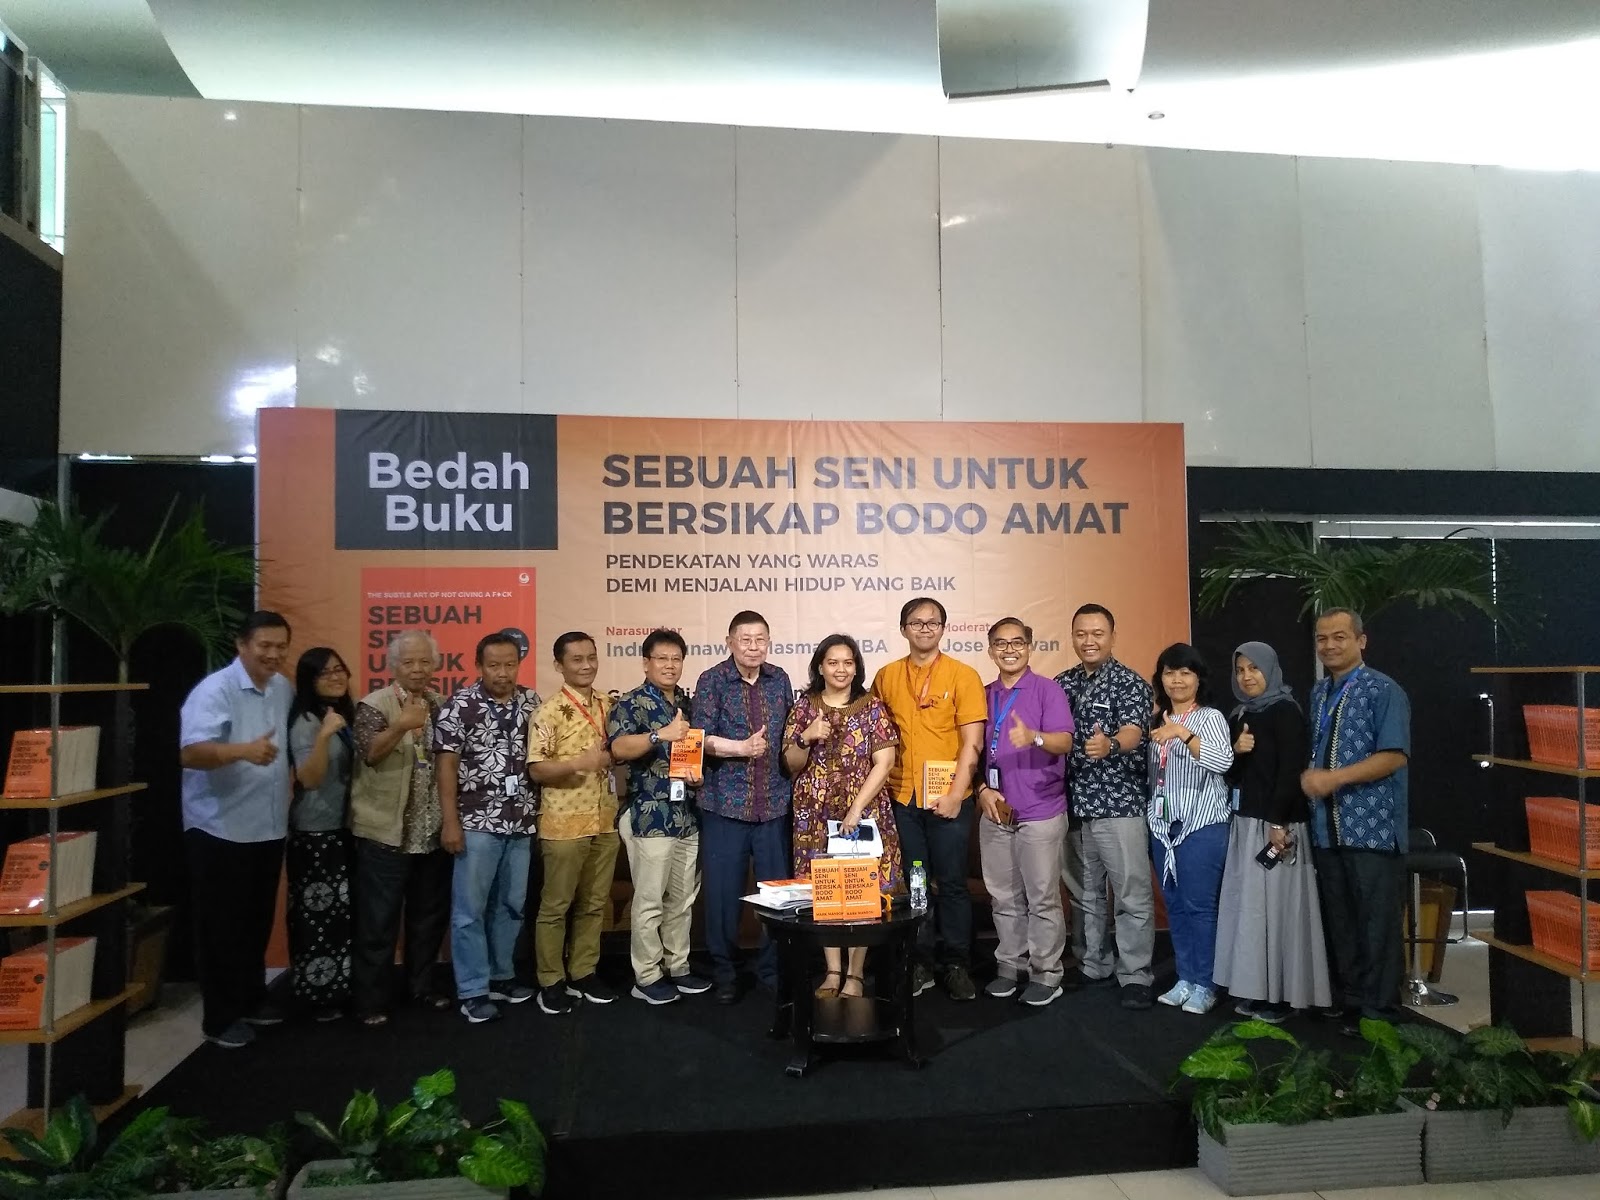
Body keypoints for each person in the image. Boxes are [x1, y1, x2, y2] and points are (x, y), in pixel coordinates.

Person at [178, 611, 294, 1048]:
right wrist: (242, 751)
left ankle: (251, 998)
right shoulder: (215, 690)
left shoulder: (282, 687)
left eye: (281, 646)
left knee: (255, 921)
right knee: (220, 928)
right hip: (219, 829)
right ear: (241, 644)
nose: (273, 654)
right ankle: (219, 1017)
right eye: (265, 645)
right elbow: (191, 753)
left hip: (267, 826)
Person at [1301, 608, 1411, 1029]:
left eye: (1339, 637)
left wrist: (1334, 779)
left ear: (1361, 641)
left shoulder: (1383, 690)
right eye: (1322, 638)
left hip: (1372, 830)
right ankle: (1351, 1002)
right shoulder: (1318, 693)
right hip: (1327, 829)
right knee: (1341, 922)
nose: (1329, 645)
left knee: (1376, 925)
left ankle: (1380, 1012)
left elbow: (1394, 756)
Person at [872, 597, 986, 1001]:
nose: (925, 629)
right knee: (916, 882)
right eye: (916, 622)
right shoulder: (886, 676)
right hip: (902, 797)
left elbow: (972, 742)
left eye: (933, 622)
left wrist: (956, 794)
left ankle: (956, 964)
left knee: (952, 883)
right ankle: (919, 961)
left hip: (950, 798)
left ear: (943, 628)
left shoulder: (963, 675)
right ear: (903, 628)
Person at [1213, 641, 1331, 1022]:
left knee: (1279, 911)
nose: (1247, 677)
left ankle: (1281, 995)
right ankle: (1256, 989)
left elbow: (1290, 774)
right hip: (1247, 823)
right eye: (1240, 670)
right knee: (1251, 911)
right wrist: (1236, 750)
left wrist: (1277, 824)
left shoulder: (1286, 712)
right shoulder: (1241, 714)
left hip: (1278, 827)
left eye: (1254, 668)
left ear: (1270, 670)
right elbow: (1232, 776)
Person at [783, 633, 902, 998]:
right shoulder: (804, 707)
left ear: (856, 667)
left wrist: (855, 810)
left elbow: (885, 762)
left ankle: (856, 973)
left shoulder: (872, 707)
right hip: (814, 814)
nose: (841, 669)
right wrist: (805, 737)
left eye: (848, 662)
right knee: (825, 890)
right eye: (833, 662)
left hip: (862, 813)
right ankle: (832, 971)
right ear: (820, 667)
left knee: (861, 890)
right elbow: (790, 764)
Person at [433, 632, 543, 1024]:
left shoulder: (532, 702)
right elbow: (445, 767)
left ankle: (501, 975)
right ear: (479, 666)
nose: (503, 673)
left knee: (511, 906)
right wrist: (450, 822)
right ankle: (473, 989)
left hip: (522, 821)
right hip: (476, 822)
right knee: (470, 911)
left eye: (510, 664)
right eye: (494, 665)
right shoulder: (459, 705)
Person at [1054, 603, 1157, 1010]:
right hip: (1073, 805)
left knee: (1131, 894)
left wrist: (1111, 744)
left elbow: (1134, 731)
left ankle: (1135, 974)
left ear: (1112, 637)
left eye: (1097, 633)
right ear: (1072, 637)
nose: (1089, 641)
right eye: (1081, 634)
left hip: (1119, 804)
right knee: (1084, 893)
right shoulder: (1061, 683)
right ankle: (1092, 963)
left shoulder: (1130, 683)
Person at [349, 629, 452, 1025]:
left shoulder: (441, 704)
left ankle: (420, 988)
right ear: (393, 665)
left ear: (436, 665)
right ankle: (371, 1000)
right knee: (378, 921)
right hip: (385, 833)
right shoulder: (374, 705)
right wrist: (401, 725)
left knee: (427, 919)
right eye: (409, 662)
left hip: (431, 833)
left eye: (425, 661)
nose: (418, 669)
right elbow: (369, 753)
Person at [693, 611, 795, 1004]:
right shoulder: (712, 680)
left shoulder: (779, 679)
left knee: (777, 897)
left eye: (760, 639)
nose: (753, 647)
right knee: (723, 897)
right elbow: (699, 738)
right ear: (730, 642)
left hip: (774, 805)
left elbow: (789, 733)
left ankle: (772, 969)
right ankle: (725, 972)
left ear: (768, 642)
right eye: (745, 639)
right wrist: (740, 748)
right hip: (724, 806)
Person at [974, 617, 1076, 1007]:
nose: (1009, 650)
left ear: (1030, 647)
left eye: (1017, 642)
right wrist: (981, 789)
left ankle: (1046, 973)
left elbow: (1064, 741)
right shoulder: (984, 695)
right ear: (990, 650)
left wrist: (1033, 736)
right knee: (1003, 897)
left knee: (1042, 897)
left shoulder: (1048, 690)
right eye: (1001, 644)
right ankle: (1010, 966)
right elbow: (972, 752)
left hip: (1041, 810)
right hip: (996, 812)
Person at [607, 629, 710, 1005]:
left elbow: (695, 749)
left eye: (676, 659)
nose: (669, 665)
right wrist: (659, 735)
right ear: (646, 663)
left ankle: (677, 966)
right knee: (650, 900)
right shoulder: (630, 702)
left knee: (682, 899)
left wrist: (698, 775)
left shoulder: (688, 701)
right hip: (649, 817)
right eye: (662, 658)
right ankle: (647, 975)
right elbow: (618, 748)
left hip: (686, 815)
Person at [527, 632, 621, 1013]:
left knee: (594, 904)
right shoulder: (548, 711)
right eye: (577, 659)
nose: (586, 665)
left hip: (605, 820)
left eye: (591, 658)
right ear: (559, 666)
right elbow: (537, 769)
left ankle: (584, 971)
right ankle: (550, 980)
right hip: (563, 822)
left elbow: (621, 750)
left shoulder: (609, 704)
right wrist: (578, 764)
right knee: (556, 906)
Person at [1146, 643, 1234, 1014]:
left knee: (1200, 907)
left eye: (1186, 672)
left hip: (1202, 825)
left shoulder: (1210, 718)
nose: (1177, 680)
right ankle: (1185, 978)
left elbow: (1223, 761)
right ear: (1160, 679)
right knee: (1175, 907)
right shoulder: (1156, 720)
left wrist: (1183, 733)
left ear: (1198, 679)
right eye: (1170, 672)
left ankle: (1206, 984)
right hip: (1163, 828)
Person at [286, 646, 357, 1023]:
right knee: (318, 919)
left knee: (341, 917)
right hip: (315, 833)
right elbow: (309, 778)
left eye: (339, 669)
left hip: (343, 828)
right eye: (324, 672)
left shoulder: (345, 714)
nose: (335, 676)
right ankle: (318, 995)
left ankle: (341, 988)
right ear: (309, 681)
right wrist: (325, 735)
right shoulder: (308, 721)